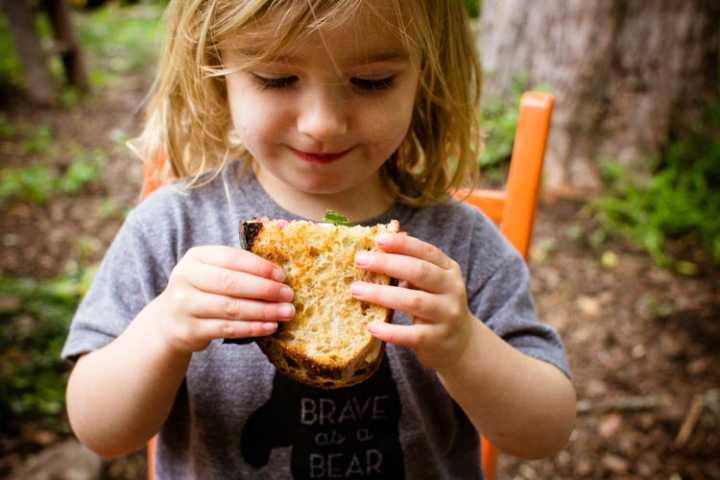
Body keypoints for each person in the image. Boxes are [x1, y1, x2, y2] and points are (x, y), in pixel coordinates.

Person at [62, 1, 576, 478]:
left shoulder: (458, 244)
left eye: (372, 81)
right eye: (277, 78)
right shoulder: (171, 228)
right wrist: (163, 330)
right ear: (217, 73)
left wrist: (464, 347)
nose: (323, 125)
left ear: (427, 75)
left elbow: (543, 432)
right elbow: (100, 430)